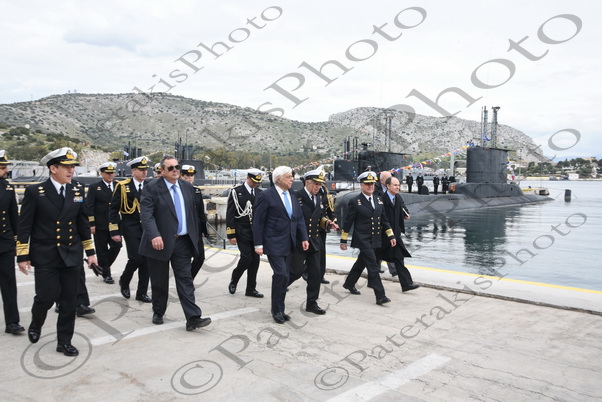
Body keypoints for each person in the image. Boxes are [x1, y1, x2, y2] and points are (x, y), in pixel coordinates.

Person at [17, 147, 98, 356]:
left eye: (73, 167)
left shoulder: (77, 190)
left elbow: (82, 224)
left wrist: (90, 253)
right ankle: (36, 323)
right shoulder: (36, 192)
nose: (71, 171)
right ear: (53, 168)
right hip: (46, 254)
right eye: (66, 167)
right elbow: (24, 226)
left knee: (70, 301)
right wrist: (22, 256)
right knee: (46, 297)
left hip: (71, 253)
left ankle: (64, 341)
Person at [139, 156, 211, 331]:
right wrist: (154, 235)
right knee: (159, 280)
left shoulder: (187, 187)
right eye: (170, 168)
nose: (175, 170)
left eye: (177, 167)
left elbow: (193, 214)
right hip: (160, 242)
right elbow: (146, 215)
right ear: (162, 170)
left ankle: (193, 318)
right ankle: (158, 311)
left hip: (183, 242)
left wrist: (196, 236)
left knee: (185, 279)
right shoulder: (152, 188)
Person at [253, 166, 308, 324]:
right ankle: (276, 310)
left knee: (292, 274)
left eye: (292, 176)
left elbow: (298, 218)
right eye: (289, 177)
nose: (292, 179)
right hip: (273, 242)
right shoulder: (266, 196)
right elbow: (258, 221)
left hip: (290, 242)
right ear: (278, 179)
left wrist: (304, 237)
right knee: (281, 274)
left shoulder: (293, 195)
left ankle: (280, 308)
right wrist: (258, 244)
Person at [340, 171, 396, 305]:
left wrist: (391, 235)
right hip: (362, 239)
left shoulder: (378, 200)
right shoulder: (355, 201)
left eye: (372, 184)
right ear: (361, 185)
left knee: (361, 262)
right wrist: (343, 240)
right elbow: (348, 222)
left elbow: (384, 220)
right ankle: (380, 296)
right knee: (373, 265)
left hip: (375, 238)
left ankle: (349, 283)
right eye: (367, 184)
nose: (370, 186)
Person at [289, 169, 338, 315]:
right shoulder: (296, 196)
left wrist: (328, 223)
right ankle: (280, 288)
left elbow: (319, 217)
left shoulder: (319, 198)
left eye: (320, 184)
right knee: (296, 272)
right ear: (307, 182)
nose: (318, 187)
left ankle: (312, 303)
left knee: (316, 274)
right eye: (315, 184)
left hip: (315, 241)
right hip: (300, 241)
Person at [109, 156, 151, 303]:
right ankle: (125, 279)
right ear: (133, 171)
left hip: (147, 228)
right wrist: (114, 231)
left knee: (146, 261)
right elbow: (113, 210)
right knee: (136, 258)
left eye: (146, 169)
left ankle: (142, 293)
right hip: (130, 226)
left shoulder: (150, 186)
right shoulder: (122, 186)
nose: (144, 172)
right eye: (141, 169)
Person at [226, 168, 264, 297]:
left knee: (255, 261)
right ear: (247, 178)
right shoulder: (236, 192)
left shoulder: (260, 193)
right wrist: (231, 234)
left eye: (257, 182)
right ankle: (234, 279)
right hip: (242, 231)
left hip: (256, 232)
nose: (255, 184)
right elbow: (230, 214)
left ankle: (251, 289)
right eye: (254, 181)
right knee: (246, 258)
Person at [380, 176, 420, 292]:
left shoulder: (397, 198)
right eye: (395, 185)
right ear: (388, 186)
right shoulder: (382, 199)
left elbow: (403, 210)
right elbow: (382, 217)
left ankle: (406, 284)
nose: (398, 187)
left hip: (395, 234)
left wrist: (406, 215)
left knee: (398, 257)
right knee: (368, 259)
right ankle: (351, 282)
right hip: (383, 235)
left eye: (398, 185)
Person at [0, 150, 25, 335]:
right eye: (2, 167)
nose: (6, 170)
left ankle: (12, 322)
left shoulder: (7, 187)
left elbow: (13, 216)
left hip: (5, 242)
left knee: (9, 283)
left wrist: (18, 241)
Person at [86, 162, 121, 284]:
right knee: (102, 250)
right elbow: (89, 206)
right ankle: (106, 274)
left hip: (114, 224)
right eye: (108, 173)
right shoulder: (94, 187)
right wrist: (91, 224)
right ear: (102, 173)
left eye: (112, 173)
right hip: (100, 223)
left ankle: (101, 266)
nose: (111, 175)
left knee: (117, 246)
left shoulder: (118, 186)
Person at [180, 164, 208, 279]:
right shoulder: (177, 191)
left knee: (200, 257)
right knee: (185, 259)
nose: (189, 178)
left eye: (191, 176)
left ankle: (189, 280)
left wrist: (204, 230)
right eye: (186, 175)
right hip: (183, 231)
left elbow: (201, 212)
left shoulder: (196, 191)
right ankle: (186, 283)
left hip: (196, 230)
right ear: (181, 176)